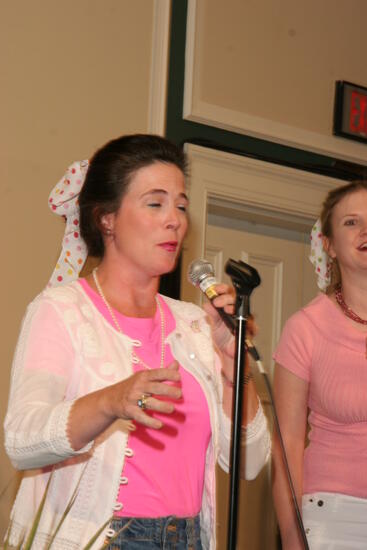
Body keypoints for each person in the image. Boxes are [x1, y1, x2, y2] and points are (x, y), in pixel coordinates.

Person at [4, 134, 270, 550]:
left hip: (189, 537)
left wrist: (233, 365)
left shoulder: (194, 324)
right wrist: (111, 401)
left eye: (181, 206)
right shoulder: (61, 310)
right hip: (102, 539)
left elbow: (250, 463)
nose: (175, 220)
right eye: (155, 203)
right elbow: (22, 439)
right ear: (106, 218)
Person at [272, 179, 367, 550]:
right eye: (351, 222)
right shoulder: (306, 328)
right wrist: (294, 539)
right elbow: (287, 445)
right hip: (334, 520)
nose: (365, 231)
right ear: (327, 244)